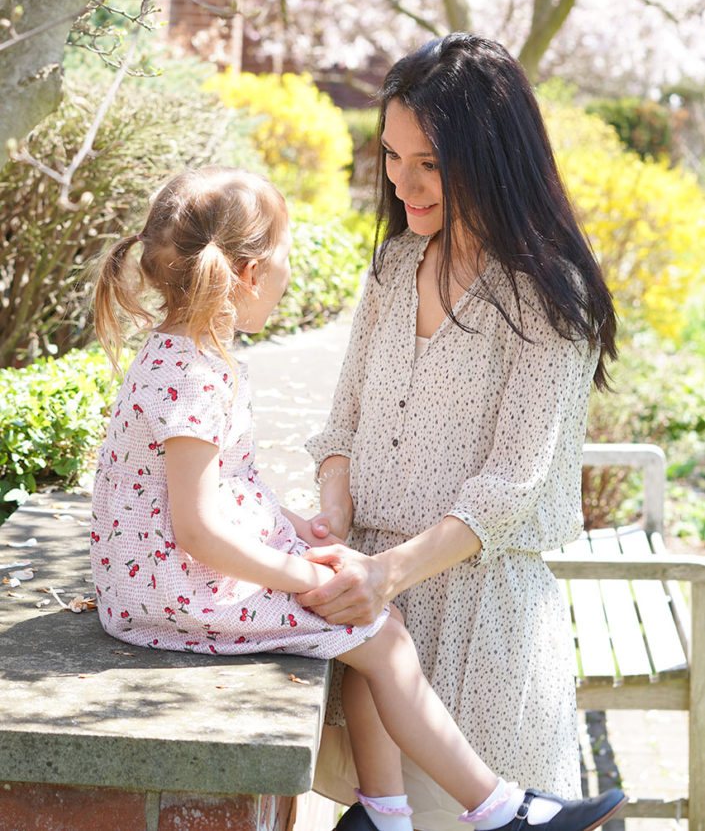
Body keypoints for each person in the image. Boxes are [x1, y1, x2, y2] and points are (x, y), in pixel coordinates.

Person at [89, 165, 624, 831]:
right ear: (250, 274)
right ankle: (496, 808)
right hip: (171, 592)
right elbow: (197, 529)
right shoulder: (196, 374)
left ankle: (384, 812)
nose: (290, 272)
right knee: (378, 633)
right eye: (285, 256)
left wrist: (293, 525)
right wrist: (298, 573)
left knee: (374, 623)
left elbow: (218, 487)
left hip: (156, 582)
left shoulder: (182, 354)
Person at [302, 34, 620, 831]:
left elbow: (510, 487)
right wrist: (335, 520)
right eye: (390, 156)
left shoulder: (549, 294)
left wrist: (386, 574)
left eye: (431, 163)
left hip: (482, 626)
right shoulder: (392, 270)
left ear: (492, 156)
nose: (402, 182)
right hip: (376, 629)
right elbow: (339, 425)